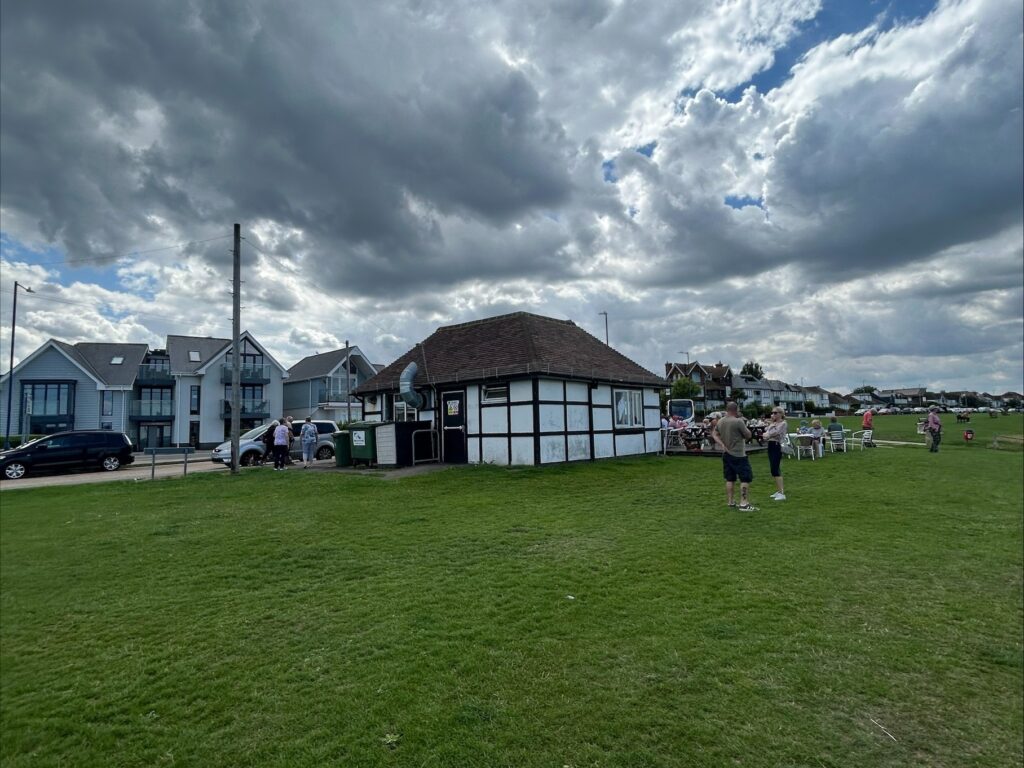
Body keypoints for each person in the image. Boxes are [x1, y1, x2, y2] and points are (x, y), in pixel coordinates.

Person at [712, 402, 757, 511]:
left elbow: (714, 434)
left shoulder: (721, 421)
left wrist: (721, 443)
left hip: (726, 454)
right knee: (745, 478)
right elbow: (748, 435)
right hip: (739, 454)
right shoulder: (738, 421)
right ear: (736, 410)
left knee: (730, 479)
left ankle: (731, 501)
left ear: (726, 410)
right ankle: (744, 503)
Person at [763, 406, 787, 501]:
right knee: (773, 469)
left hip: (777, 445)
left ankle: (781, 493)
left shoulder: (783, 423)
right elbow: (766, 434)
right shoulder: (773, 423)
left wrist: (768, 433)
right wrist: (768, 432)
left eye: (775, 413)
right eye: (772, 413)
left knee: (775, 468)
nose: (773, 415)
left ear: (781, 414)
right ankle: (779, 490)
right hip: (771, 445)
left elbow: (774, 433)